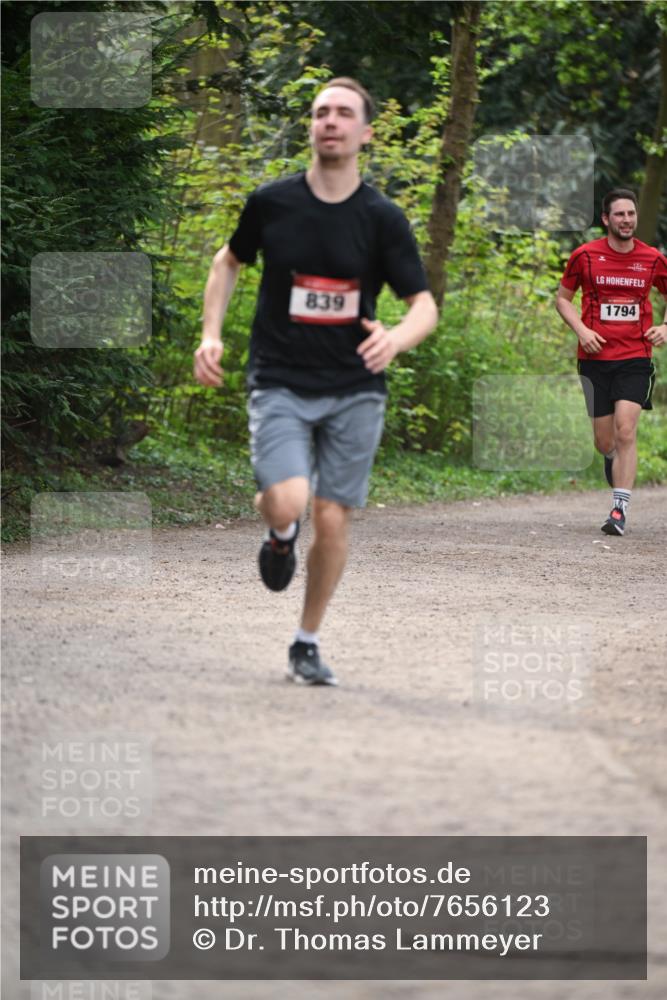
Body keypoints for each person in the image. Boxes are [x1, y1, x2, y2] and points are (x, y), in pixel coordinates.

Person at [194, 77, 438, 684]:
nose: (331, 120)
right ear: (312, 126)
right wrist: (210, 333)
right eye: (321, 111)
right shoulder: (272, 203)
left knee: (332, 516)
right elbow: (227, 263)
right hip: (278, 376)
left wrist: (396, 337)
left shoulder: (382, 218)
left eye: (344, 113)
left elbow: (424, 307)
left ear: (365, 133)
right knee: (290, 501)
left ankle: (306, 641)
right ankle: (280, 532)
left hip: (356, 386)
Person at [556, 188, 667, 535]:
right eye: (619, 214)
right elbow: (562, 300)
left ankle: (619, 509)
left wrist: (665, 327)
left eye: (631, 214)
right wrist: (581, 330)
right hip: (594, 358)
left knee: (625, 429)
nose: (627, 220)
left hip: (635, 355)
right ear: (606, 219)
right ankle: (610, 458)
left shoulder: (652, 259)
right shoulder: (585, 256)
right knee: (605, 441)